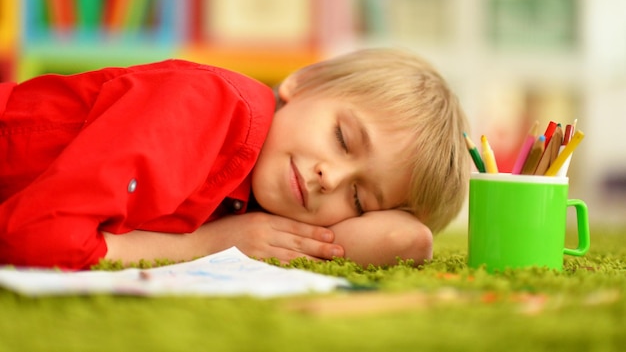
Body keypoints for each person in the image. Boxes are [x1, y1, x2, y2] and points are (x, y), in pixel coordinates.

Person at [0, 48, 470, 270]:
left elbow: (408, 241)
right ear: (301, 84)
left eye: (360, 198)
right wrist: (207, 244)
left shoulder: (260, 197)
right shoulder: (211, 108)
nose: (331, 176)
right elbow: (37, 242)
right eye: (343, 139)